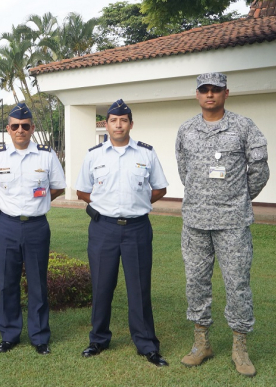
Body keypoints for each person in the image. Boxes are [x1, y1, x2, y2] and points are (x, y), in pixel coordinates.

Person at [175, 72, 269, 377]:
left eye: (216, 89)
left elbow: (259, 171)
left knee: (237, 284)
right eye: (204, 89)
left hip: (232, 222)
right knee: (196, 282)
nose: (210, 94)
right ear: (197, 94)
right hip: (196, 223)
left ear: (226, 93)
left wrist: (238, 197)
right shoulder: (186, 130)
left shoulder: (244, 127)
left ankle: (239, 347)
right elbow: (183, 170)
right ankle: (201, 343)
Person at [75, 99, 169, 367]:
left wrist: (138, 202)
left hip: (137, 228)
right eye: (113, 120)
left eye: (123, 120)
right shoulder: (94, 155)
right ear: (106, 124)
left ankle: (146, 344)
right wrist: (104, 205)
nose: (118, 125)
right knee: (102, 286)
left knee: (139, 288)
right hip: (103, 228)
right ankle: (98, 340)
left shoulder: (146, 154)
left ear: (131, 124)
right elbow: (82, 190)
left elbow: (159, 188)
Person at [0, 103, 66, 355]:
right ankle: (9, 334)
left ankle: (39, 336)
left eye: (25, 126)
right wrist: (10, 205)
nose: (20, 130)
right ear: (8, 129)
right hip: (7, 225)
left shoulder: (46, 155)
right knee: (8, 282)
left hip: (37, 226)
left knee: (38, 282)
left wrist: (36, 203)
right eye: (15, 126)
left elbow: (58, 187)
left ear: (32, 128)